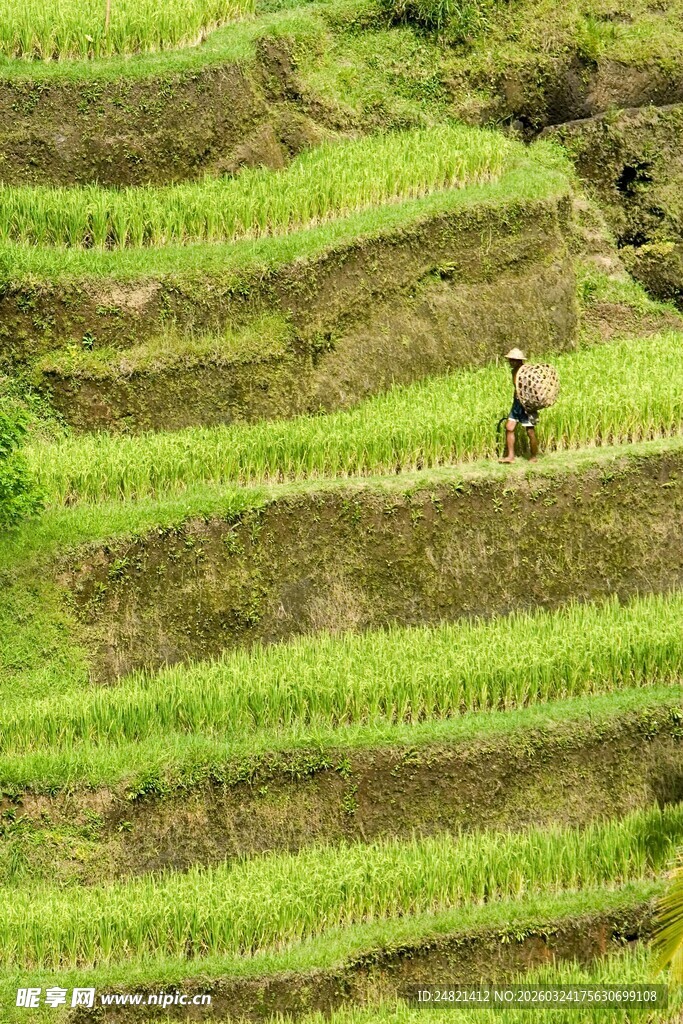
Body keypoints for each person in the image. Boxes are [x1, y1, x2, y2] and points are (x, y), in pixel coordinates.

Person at [499, 348, 538, 464]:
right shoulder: (513, 372)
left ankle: (534, 456)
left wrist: (529, 404)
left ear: (518, 361)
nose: (510, 362)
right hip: (517, 403)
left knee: (530, 431)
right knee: (509, 427)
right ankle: (510, 456)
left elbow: (533, 388)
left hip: (526, 404)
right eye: (510, 360)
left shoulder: (526, 372)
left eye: (512, 360)